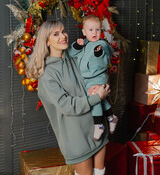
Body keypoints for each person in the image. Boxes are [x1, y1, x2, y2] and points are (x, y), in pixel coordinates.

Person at [26, 20, 111, 175]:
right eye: (56, 34)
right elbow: (67, 106)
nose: (63, 36)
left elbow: (95, 72)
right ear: (47, 41)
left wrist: (100, 87)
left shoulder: (74, 56)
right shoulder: (47, 75)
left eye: (63, 31)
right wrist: (96, 98)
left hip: (96, 128)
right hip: (76, 137)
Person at [69, 15, 118, 140]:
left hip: (98, 77)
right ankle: (111, 117)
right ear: (84, 32)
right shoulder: (84, 43)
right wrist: (78, 46)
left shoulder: (102, 44)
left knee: (94, 96)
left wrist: (98, 54)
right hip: (86, 79)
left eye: (97, 29)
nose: (94, 32)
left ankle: (99, 124)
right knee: (99, 99)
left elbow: (104, 61)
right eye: (90, 30)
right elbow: (71, 53)